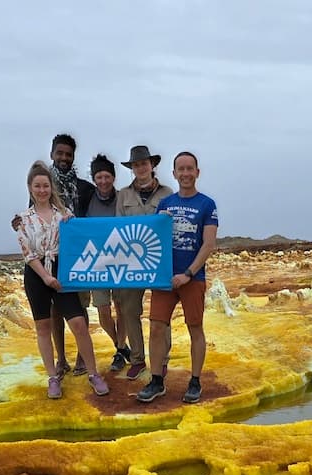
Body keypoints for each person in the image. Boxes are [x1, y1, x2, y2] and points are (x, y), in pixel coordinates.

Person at [15, 161, 109, 400]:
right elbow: (28, 254)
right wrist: (46, 277)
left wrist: (72, 224)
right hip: (37, 274)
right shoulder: (23, 219)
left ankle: (93, 373)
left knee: (78, 322)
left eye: (45, 185)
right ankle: (53, 377)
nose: (42, 190)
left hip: (63, 271)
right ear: (30, 188)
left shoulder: (64, 215)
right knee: (43, 327)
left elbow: (80, 238)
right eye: (37, 186)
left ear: (51, 187)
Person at [137, 151, 219, 404]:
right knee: (156, 328)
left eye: (189, 169)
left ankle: (195, 381)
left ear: (197, 172)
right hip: (164, 279)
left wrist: (188, 274)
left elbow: (208, 244)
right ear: (173, 174)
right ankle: (156, 381)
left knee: (195, 328)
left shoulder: (207, 204)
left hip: (191, 278)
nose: (185, 173)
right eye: (180, 169)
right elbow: (154, 241)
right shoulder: (165, 204)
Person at [13, 134, 96, 377]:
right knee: (51, 316)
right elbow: (33, 221)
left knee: (79, 312)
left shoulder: (85, 189)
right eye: (59, 153)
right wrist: (19, 224)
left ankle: (85, 362)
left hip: (74, 261)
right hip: (41, 268)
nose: (64, 158)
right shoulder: (41, 184)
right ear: (52, 154)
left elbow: (92, 222)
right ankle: (60, 361)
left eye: (68, 154)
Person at [114, 145, 173, 380]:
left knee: (161, 313)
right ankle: (137, 359)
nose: (140, 168)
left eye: (144, 163)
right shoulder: (123, 195)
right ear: (132, 168)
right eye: (136, 164)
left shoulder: (168, 193)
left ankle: (162, 359)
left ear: (152, 165)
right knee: (130, 311)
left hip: (159, 261)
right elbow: (118, 227)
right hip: (131, 263)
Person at [83, 153, 127, 370]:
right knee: (103, 312)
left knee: (121, 308)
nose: (103, 181)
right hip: (97, 263)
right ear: (94, 179)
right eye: (99, 177)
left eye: (107, 176)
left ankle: (120, 352)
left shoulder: (123, 198)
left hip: (121, 261)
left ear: (114, 177)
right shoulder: (87, 199)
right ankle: (120, 346)